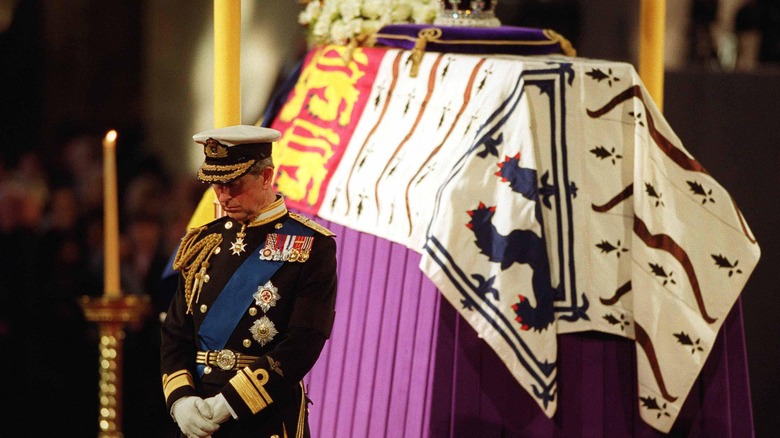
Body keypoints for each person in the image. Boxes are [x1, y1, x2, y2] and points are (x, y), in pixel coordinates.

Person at [160, 125, 338, 438]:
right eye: (216, 184)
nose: (223, 195)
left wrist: (229, 403)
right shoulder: (202, 241)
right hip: (199, 417)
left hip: (263, 415)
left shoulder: (312, 245)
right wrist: (181, 400)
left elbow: (304, 342)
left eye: (234, 183)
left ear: (267, 176)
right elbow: (175, 332)